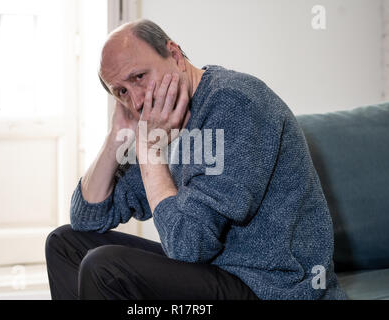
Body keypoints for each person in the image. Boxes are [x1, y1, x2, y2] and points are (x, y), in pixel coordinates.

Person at [45, 19, 347, 300]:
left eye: (139, 77)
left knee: (104, 266)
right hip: (215, 272)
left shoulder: (236, 102)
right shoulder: (159, 119)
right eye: (121, 91)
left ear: (174, 55)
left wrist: (150, 152)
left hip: (270, 287)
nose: (136, 100)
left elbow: (189, 246)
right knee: (64, 244)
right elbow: (86, 217)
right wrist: (117, 135)